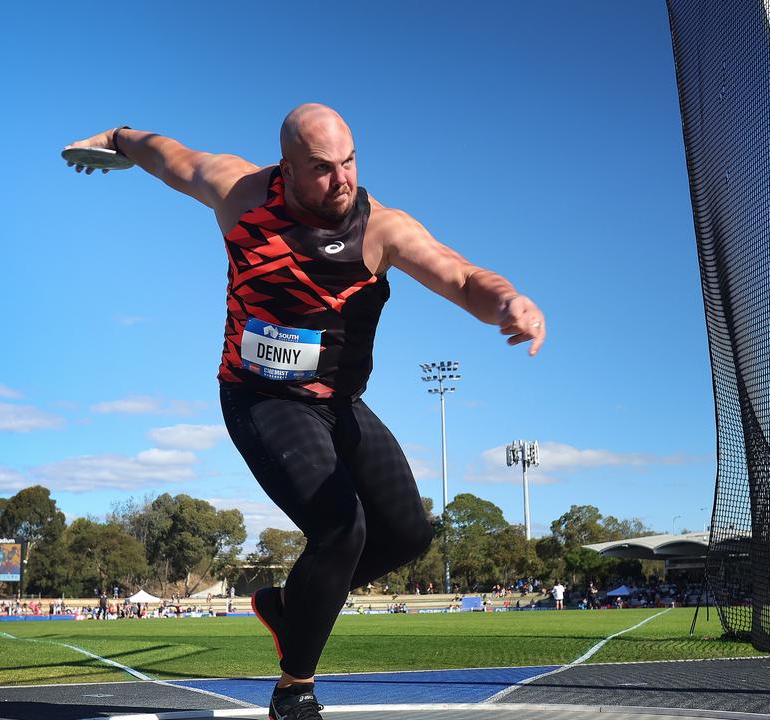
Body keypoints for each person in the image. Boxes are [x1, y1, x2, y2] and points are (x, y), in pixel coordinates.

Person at [65, 103, 546, 720]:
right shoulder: (239, 192)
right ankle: (295, 687)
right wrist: (117, 138)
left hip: (339, 403)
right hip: (259, 396)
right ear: (286, 168)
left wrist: (509, 300)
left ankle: (288, 607)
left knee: (406, 535)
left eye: (348, 161)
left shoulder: (382, 229)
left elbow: (458, 275)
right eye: (322, 168)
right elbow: (170, 158)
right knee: (341, 528)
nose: (341, 179)